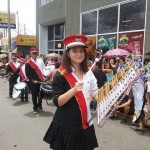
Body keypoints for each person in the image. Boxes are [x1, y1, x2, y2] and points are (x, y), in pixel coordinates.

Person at [43, 34, 99, 150]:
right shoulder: (60, 74)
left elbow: (95, 92)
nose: (79, 54)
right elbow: (57, 102)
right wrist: (73, 90)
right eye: (74, 51)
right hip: (67, 125)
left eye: (81, 51)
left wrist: (109, 99)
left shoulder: (88, 72)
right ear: (68, 53)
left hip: (86, 122)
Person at [25, 47, 45, 113]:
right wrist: (32, 80)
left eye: (36, 53)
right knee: (34, 95)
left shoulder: (40, 61)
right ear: (30, 54)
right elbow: (27, 74)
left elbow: (43, 70)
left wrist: (45, 77)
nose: (35, 54)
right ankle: (35, 108)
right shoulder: (28, 63)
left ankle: (40, 105)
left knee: (41, 94)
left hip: (40, 80)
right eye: (33, 53)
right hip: (33, 82)